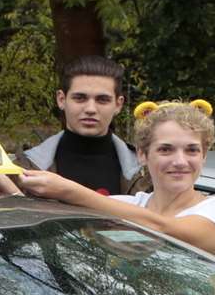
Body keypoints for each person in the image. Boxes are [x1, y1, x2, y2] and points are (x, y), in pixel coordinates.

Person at [11, 100, 215, 265]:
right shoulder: (128, 205)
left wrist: (69, 190)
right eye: (166, 149)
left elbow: (163, 229)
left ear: (204, 155)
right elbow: (42, 226)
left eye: (192, 150)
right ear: (142, 155)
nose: (180, 161)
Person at [17, 55, 137, 195]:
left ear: (118, 104)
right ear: (61, 100)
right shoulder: (24, 168)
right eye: (80, 98)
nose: (90, 109)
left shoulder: (146, 171)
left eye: (102, 100)